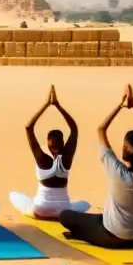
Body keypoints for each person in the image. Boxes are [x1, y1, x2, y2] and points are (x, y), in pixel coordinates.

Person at [58, 85, 133, 249]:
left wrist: (121, 105)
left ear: (125, 149)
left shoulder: (116, 171)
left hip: (112, 237)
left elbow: (100, 129)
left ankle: (85, 234)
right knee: (101, 217)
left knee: (65, 216)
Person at [10, 85, 90, 219]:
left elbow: (29, 127)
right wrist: (58, 106)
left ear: (47, 144)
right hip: (63, 211)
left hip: (40, 210)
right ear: (63, 143)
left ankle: (39, 209)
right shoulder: (66, 159)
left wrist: (46, 105)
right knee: (85, 204)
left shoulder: (41, 159)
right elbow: (74, 129)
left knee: (13, 195)